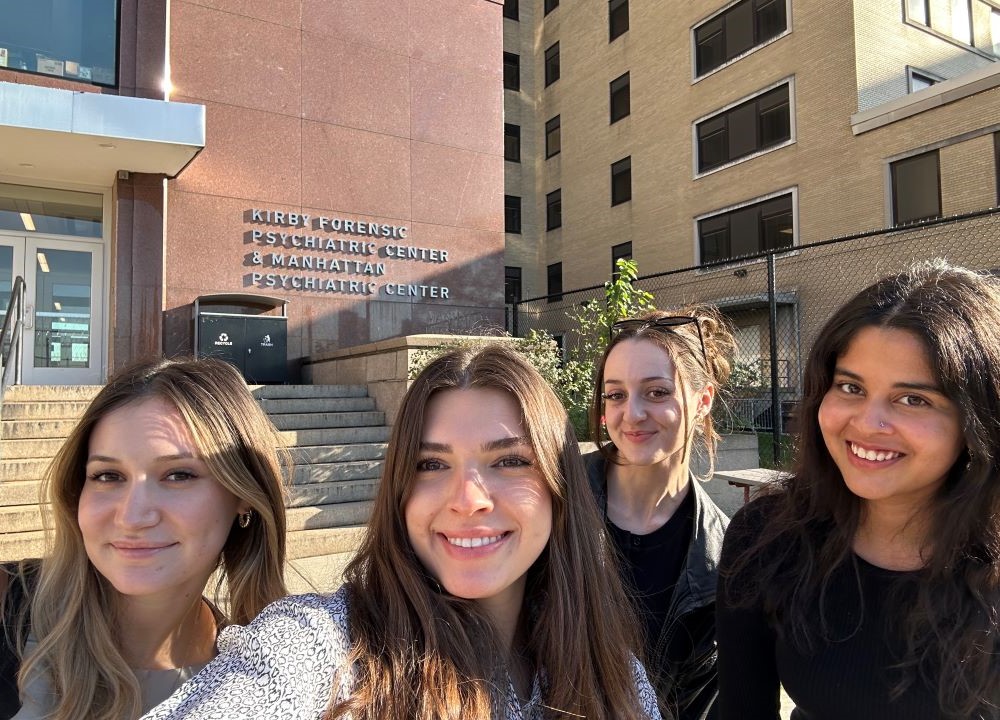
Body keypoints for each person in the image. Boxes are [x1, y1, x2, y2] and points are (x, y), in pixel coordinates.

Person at [142, 344, 663, 720]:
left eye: (509, 461)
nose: (468, 499)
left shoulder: (618, 680)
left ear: (559, 486)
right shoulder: (323, 647)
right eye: (432, 466)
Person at [716, 260, 1000, 719]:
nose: (867, 424)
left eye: (913, 399)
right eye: (850, 386)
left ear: (978, 421)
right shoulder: (767, 538)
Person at [0, 357, 289, 720]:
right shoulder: (9, 606)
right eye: (107, 476)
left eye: (179, 475)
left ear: (244, 494)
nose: (132, 517)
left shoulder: (260, 680)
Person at [584, 308, 735, 720]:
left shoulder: (725, 555)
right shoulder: (554, 504)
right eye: (615, 394)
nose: (631, 414)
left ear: (702, 400)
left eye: (656, 392)